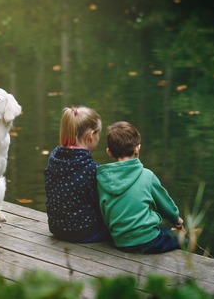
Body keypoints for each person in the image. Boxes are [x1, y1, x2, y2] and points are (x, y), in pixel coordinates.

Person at [97, 121, 184, 253]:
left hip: (120, 241)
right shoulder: (147, 176)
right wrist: (176, 219)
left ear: (109, 152)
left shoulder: (101, 179)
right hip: (148, 240)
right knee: (181, 239)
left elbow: (104, 211)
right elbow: (164, 205)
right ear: (137, 148)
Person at [44, 106, 110, 243]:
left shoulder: (54, 157)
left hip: (56, 228)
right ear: (91, 135)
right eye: (98, 133)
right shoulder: (91, 168)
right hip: (84, 232)